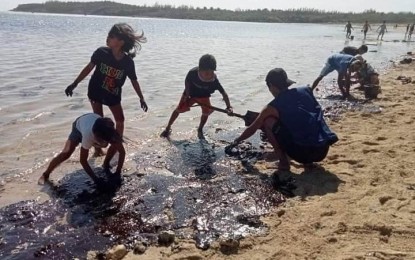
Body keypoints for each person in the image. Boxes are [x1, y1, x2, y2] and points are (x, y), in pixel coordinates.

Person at [64, 23, 148, 156]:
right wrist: (75, 83)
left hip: (113, 94)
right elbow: (88, 68)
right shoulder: (101, 52)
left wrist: (141, 98)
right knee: (98, 120)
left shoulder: (127, 62)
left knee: (120, 120)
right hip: (95, 91)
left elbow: (134, 81)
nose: (107, 38)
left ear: (121, 42)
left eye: (111, 36)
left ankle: (116, 144)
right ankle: (97, 149)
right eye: (108, 35)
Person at [233, 68, 338, 171]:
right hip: (323, 149)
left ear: (271, 86)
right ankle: (308, 164)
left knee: (268, 121)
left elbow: (253, 128)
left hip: (303, 154)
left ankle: (283, 162)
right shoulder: (306, 90)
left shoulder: (271, 107)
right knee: (304, 120)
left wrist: (237, 140)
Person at [38, 113, 125, 186]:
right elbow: (83, 160)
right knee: (66, 153)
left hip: (96, 123)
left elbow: (122, 152)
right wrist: (95, 179)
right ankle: (45, 174)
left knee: (114, 145)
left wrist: (118, 171)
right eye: (96, 139)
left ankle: (105, 164)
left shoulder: (111, 133)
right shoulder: (88, 136)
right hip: (79, 126)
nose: (95, 140)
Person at [160, 54, 233, 139]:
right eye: (206, 72)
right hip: (190, 94)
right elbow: (187, 81)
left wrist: (229, 107)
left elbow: (224, 94)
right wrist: (187, 94)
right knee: (178, 109)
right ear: (200, 69)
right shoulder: (192, 73)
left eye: (212, 72)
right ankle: (168, 127)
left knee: (206, 113)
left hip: (204, 96)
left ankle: (200, 129)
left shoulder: (214, 81)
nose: (209, 75)